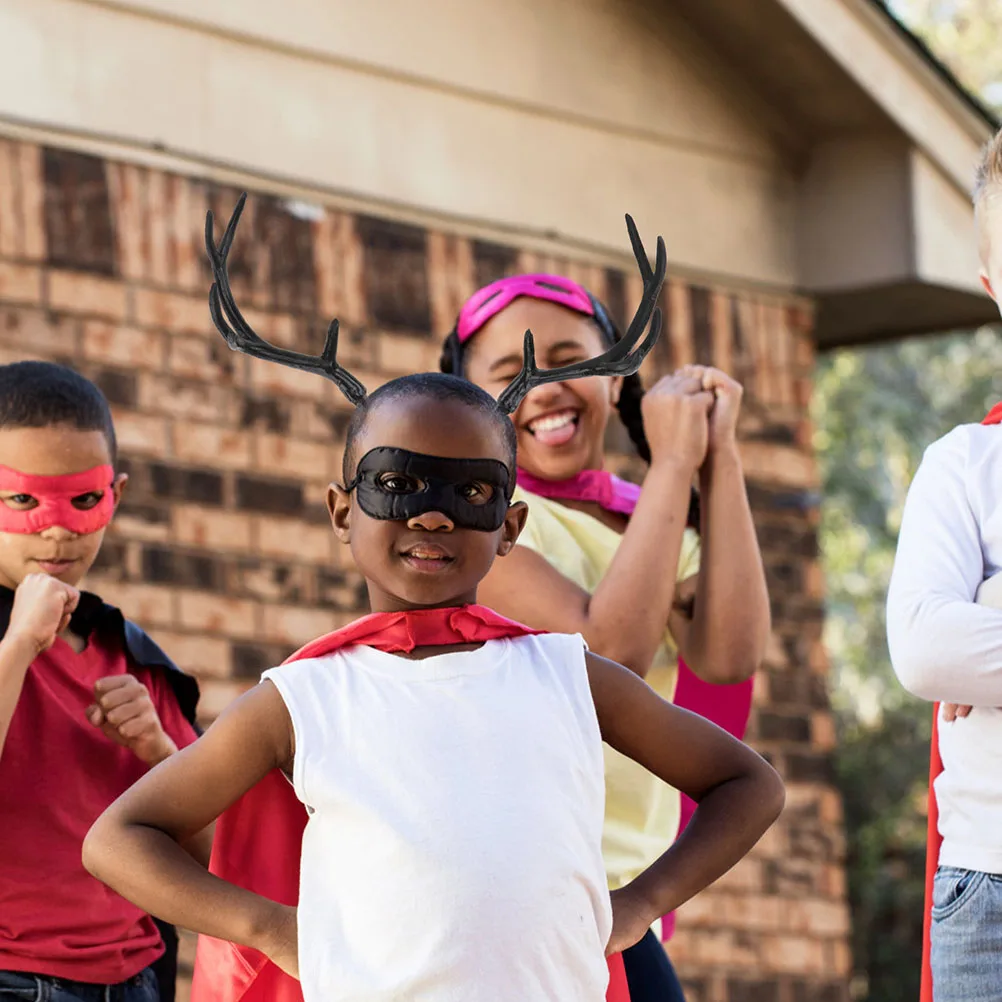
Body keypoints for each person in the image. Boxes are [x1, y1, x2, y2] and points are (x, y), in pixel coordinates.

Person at [83, 194, 785, 1002]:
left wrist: (638, 907)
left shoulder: (566, 674)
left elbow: (750, 782)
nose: (431, 512)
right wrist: (276, 930)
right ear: (343, 511)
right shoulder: (303, 699)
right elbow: (118, 838)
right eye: (396, 483)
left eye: (471, 491)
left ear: (509, 524)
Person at [439, 241, 769, 998]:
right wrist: (673, 466)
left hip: (619, 899)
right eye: (510, 373)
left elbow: (728, 654)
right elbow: (606, 652)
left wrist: (718, 461)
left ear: (617, 376)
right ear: (469, 400)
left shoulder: (642, 519)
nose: (544, 387)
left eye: (567, 361)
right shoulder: (481, 522)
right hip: (512, 895)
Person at [0, 361, 202, 1002]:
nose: (58, 528)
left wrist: (160, 755)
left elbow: (219, 854)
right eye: (24, 500)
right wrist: (19, 646)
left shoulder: (136, 660)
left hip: (134, 981)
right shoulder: (17, 644)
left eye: (84, 499)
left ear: (116, 492)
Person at [887, 125, 1002, 1002]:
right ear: (993, 284)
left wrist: (988, 628)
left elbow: (962, 642)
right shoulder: (964, 464)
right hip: (988, 887)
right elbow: (926, 647)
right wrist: (959, 640)